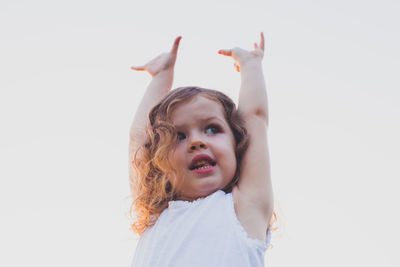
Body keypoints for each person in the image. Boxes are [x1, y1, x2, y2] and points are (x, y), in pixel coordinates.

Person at [129, 33, 276, 267]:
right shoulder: (156, 219)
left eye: (211, 129)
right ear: (157, 161)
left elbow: (254, 118)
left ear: (237, 143)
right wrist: (161, 78)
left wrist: (251, 65)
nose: (196, 142)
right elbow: (139, 138)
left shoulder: (245, 208)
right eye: (178, 136)